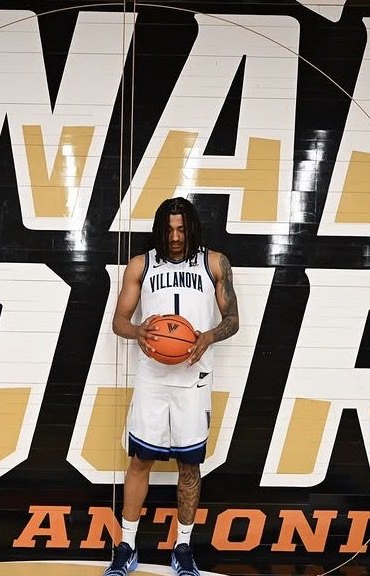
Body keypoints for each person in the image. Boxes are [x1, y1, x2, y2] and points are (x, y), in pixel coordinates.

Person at [103, 197, 239, 576]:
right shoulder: (141, 265)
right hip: (153, 378)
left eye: (182, 229)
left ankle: (182, 548)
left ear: (191, 228)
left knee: (189, 465)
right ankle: (127, 546)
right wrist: (137, 330)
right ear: (160, 230)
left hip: (192, 379)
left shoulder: (214, 263)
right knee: (140, 461)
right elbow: (119, 321)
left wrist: (209, 336)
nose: (176, 237)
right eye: (169, 230)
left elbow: (233, 319)